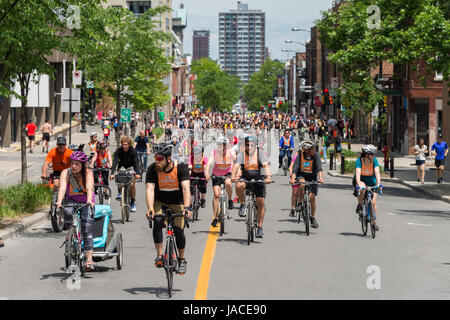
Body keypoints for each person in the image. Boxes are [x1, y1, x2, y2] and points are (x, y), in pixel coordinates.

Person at [145, 142, 191, 275]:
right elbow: (150, 189)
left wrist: (187, 208)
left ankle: (182, 259)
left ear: (168, 158)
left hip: (177, 202)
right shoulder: (152, 169)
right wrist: (150, 208)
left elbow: (186, 188)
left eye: (160, 159)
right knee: (158, 220)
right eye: (155, 158)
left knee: (178, 230)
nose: (157, 161)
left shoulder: (181, 168)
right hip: (160, 201)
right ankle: (159, 256)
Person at [56, 151, 96, 271]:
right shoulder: (66, 172)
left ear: (82, 165)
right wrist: (58, 202)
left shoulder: (88, 172)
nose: (74, 166)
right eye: (72, 163)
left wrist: (89, 201)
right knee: (67, 213)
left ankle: (89, 259)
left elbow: (89, 188)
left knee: (86, 228)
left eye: (77, 164)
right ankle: (71, 234)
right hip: (71, 200)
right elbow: (62, 188)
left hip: (86, 201)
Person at [232, 136, 272, 238]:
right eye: (247, 145)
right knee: (239, 185)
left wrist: (268, 177)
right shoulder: (241, 154)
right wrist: (233, 176)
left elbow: (265, 165)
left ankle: (259, 227)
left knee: (260, 202)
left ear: (256, 145)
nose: (249, 147)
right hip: (246, 178)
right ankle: (242, 204)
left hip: (259, 179)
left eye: (251, 145)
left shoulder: (260, 154)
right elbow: (236, 166)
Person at [290, 140, 324, 229]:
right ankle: (300, 203)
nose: (314, 150)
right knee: (302, 183)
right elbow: (295, 168)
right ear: (307, 150)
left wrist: (320, 178)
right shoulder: (300, 155)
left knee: (312, 197)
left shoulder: (316, 155)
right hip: (301, 175)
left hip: (312, 177)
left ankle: (313, 218)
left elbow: (319, 167)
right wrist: (293, 179)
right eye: (312, 149)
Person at [205, 136, 236, 227]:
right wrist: (207, 172)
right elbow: (209, 162)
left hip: (227, 173)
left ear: (225, 146)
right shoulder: (214, 152)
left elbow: (236, 161)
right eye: (218, 144)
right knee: (216, 194)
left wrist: (236, 172)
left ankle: (230, 200)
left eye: (222, 145)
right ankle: (215, 217)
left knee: (228, 183)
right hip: (216, 174)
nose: (220, 146)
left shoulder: (231, 152)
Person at [354, 144, 381, 231]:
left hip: (372, 182)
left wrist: (378, 183)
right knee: (362, 188)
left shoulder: (374, 160)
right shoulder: (359, 161)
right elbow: (358, 174)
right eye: (372, 154)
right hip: (362, 181)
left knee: (373, 203)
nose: (374, 156)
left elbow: (377, 173)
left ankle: (374, 223)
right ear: (366, 155)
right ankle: (359, 205)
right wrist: (358, 183)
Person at [110, 136, 141, 212]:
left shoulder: (133, 151)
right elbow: (115, 162)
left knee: (132, 184)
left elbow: (136, 162)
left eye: (126, 144)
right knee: (119, 178)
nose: (124, 146)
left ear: (129, 145)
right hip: (122, 167)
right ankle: (120, 192)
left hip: (131, 167)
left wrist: (137, 173)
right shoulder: (119, 150)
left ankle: (132, 202)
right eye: (123, 144)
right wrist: (112, 173)